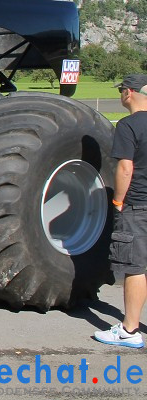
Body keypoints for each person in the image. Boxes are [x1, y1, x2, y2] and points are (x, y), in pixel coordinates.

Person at [94, 73, 147, 348]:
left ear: (128, 93)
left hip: (138, 205)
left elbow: (126, 168)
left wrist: (118, 201)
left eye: (121, 91)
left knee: (135, 267)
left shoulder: (128, 126)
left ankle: (129, 330)